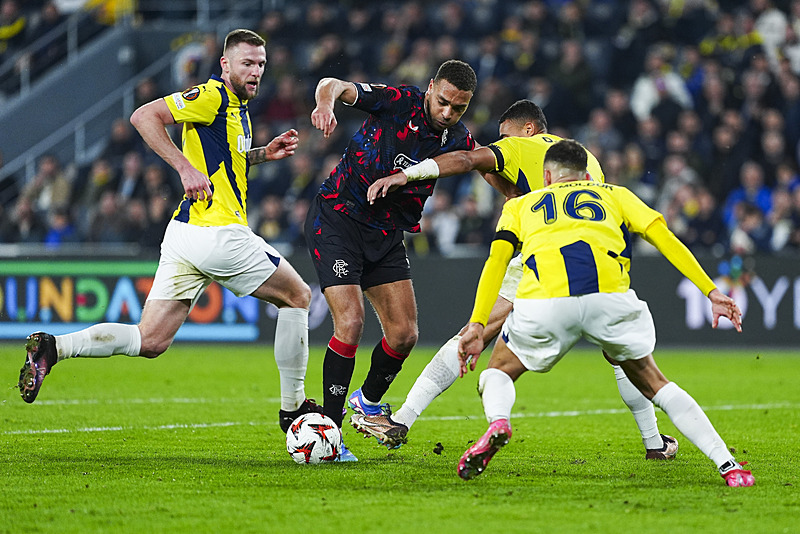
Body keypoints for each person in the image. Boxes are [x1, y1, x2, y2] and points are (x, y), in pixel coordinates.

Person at [18, 29, 320, 435]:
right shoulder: (212, 95)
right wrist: (183, 168)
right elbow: (144, 116)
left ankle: (53, 348)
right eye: (247, 63)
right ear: (225, 64)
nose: (256, 72)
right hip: (218, 232)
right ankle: (293, 409)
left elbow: (223, 162)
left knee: (151, 340)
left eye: (261, 64)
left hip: (185, 234)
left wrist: (263, 154)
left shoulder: (238, 109)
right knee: (298, 296)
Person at [352, 100, 678, 462]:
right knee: (620, 354)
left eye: (504, 135)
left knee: (476, 332)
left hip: (540, 256)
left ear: (528, 129)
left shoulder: (519, 146)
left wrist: (407, 175)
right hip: (595, 261)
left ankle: (403, 418)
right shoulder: (583, 157)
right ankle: (654, 443)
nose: (501, 143)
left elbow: (467, 160)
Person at [455, 139, 753, 487]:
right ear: (586, 175)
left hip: (545, 302)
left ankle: (499, 422)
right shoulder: (616, 194)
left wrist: (477, 323)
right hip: (609, 300)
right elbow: (665, 239)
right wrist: (712, 291)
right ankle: (729, 465)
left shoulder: (520, 205)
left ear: (547, 177)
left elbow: (496, 261)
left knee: (498, 372)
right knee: (656, 383)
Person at [305, 59, 478, 461]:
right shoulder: (398, 102)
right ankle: (330, 432)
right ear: (430, 87)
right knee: (350, 322)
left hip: (385, 234)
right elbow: (333, 83)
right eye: (443, 101)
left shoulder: (458, 138)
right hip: (339, 218)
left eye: (459, 108)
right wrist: (326, 104)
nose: (447, 113)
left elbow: (480, 162)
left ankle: (366, 403)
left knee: (404, 334)